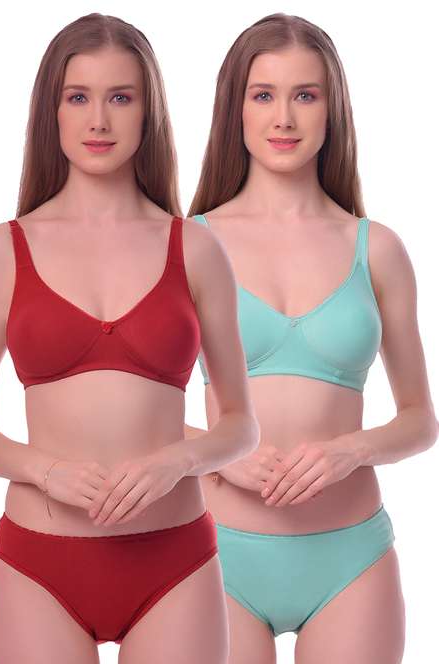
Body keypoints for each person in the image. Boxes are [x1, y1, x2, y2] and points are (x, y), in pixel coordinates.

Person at [0, 13, 260, 663]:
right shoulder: (1, 251)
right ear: (51, 112)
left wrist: (177, 460)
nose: (98, 121)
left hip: (175, 559)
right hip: (39, 563)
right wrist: (46, 472)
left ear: (148, 113)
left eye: (120, 97)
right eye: (77, 97)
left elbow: (239, 425)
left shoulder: (196, 249)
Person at [185, 12, 437, 664]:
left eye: (305, 94)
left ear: (332, 110)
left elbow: (420, 418)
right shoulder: (188, 244)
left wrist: (351, 450)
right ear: (235, 109)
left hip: (350, 559)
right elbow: (129, 413)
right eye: (263, 95)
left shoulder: (377, 249)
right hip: (218, 555)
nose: (284, 118)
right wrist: (219, 453)